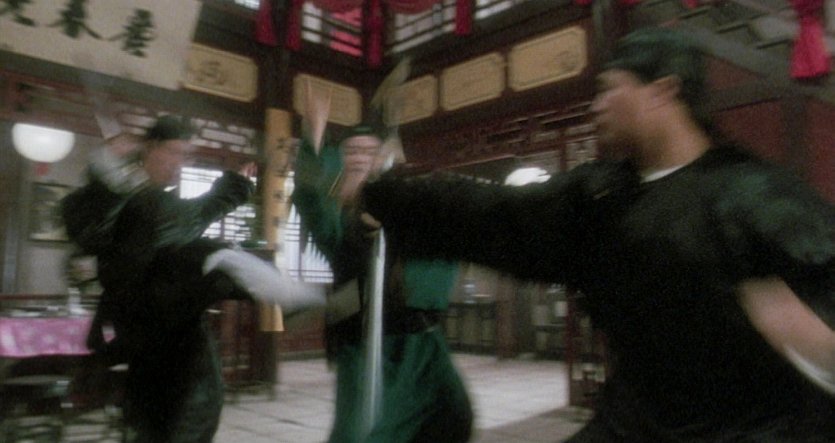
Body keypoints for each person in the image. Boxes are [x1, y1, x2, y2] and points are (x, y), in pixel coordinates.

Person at [361, 27, 835, 441]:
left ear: (662, 91)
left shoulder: (760, 196)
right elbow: (493, 213)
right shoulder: (601, 198)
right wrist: (379, 193)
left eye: (609, 90)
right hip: (633, 423)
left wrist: (818, 343)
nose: (597, 106)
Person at [62, 115, 324, 442]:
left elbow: (192, 218)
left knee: (177, 420)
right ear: (150, 148)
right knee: (208, 254)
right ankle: (269, 284)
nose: (180, 163)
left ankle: (267, 284)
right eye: (174, 152)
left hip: (177, 336)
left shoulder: (156, 202)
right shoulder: (130, 199)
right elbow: (95, 229)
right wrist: (104, 165)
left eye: (186, 155)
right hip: (150, 332)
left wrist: (235, 186)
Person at [292, 79, 473, 443]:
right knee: (363, 433)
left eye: (368, 151)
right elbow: (310, 199)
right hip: (369, 346)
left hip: (423, 341)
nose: (360, 157)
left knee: (451, 417)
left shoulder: (406, 204)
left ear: (383, 159)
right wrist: (313, 136)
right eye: (352, 151)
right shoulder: (337, 218)